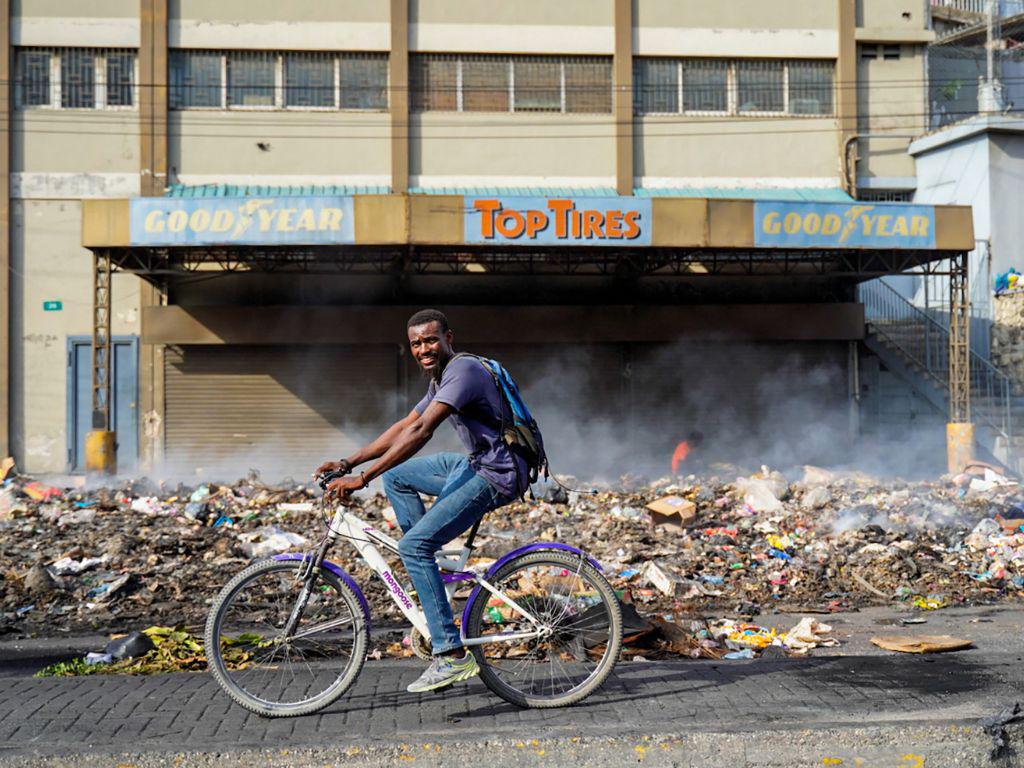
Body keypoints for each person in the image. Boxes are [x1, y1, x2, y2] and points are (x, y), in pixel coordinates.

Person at [316, 308, 528, 693]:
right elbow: (402, 425)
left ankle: (450, 654)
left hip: (497, 472)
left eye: (431, 340)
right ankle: (427, 568)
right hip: (475, 462)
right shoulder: (441, 377)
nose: (424, 349)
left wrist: (362, 478)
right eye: (416, 343)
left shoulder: (463, 372)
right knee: (397, 477)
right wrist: (349, 461)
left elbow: (421, 430)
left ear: (449, 337)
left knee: (413, 545)